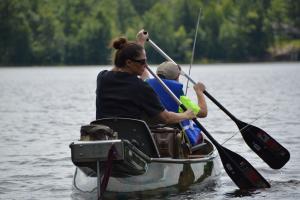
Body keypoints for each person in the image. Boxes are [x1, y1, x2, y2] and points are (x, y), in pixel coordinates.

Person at [95, 31, 196, 125]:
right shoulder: (141, 87)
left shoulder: (102, 78)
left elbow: (119, 65)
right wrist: (186, 115)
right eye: (142, 62)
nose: (146, 65)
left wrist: (139, 43)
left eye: (146, 60)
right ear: (129, 63)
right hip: (131, 139)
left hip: (104, 135)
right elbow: (166, 118)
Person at [145, 61, 208, 145]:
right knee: (203, 137)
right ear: (177, 77)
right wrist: (199, 92)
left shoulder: (145, 90)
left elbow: (144, 76)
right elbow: (203, 112)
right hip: (174, 137)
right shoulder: (179, 99)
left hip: (149, 133)